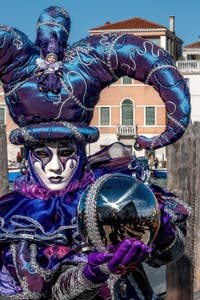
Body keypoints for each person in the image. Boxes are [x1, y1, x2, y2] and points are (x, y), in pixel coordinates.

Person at [0, 5, 190, 300]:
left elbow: (168, 255)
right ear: (27, 154)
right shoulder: (12, 220)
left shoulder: (115, 195)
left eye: (65, 152)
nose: (55, 167)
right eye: (42, 153)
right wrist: (91, 275)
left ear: (80, 149)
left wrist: (158, 229)